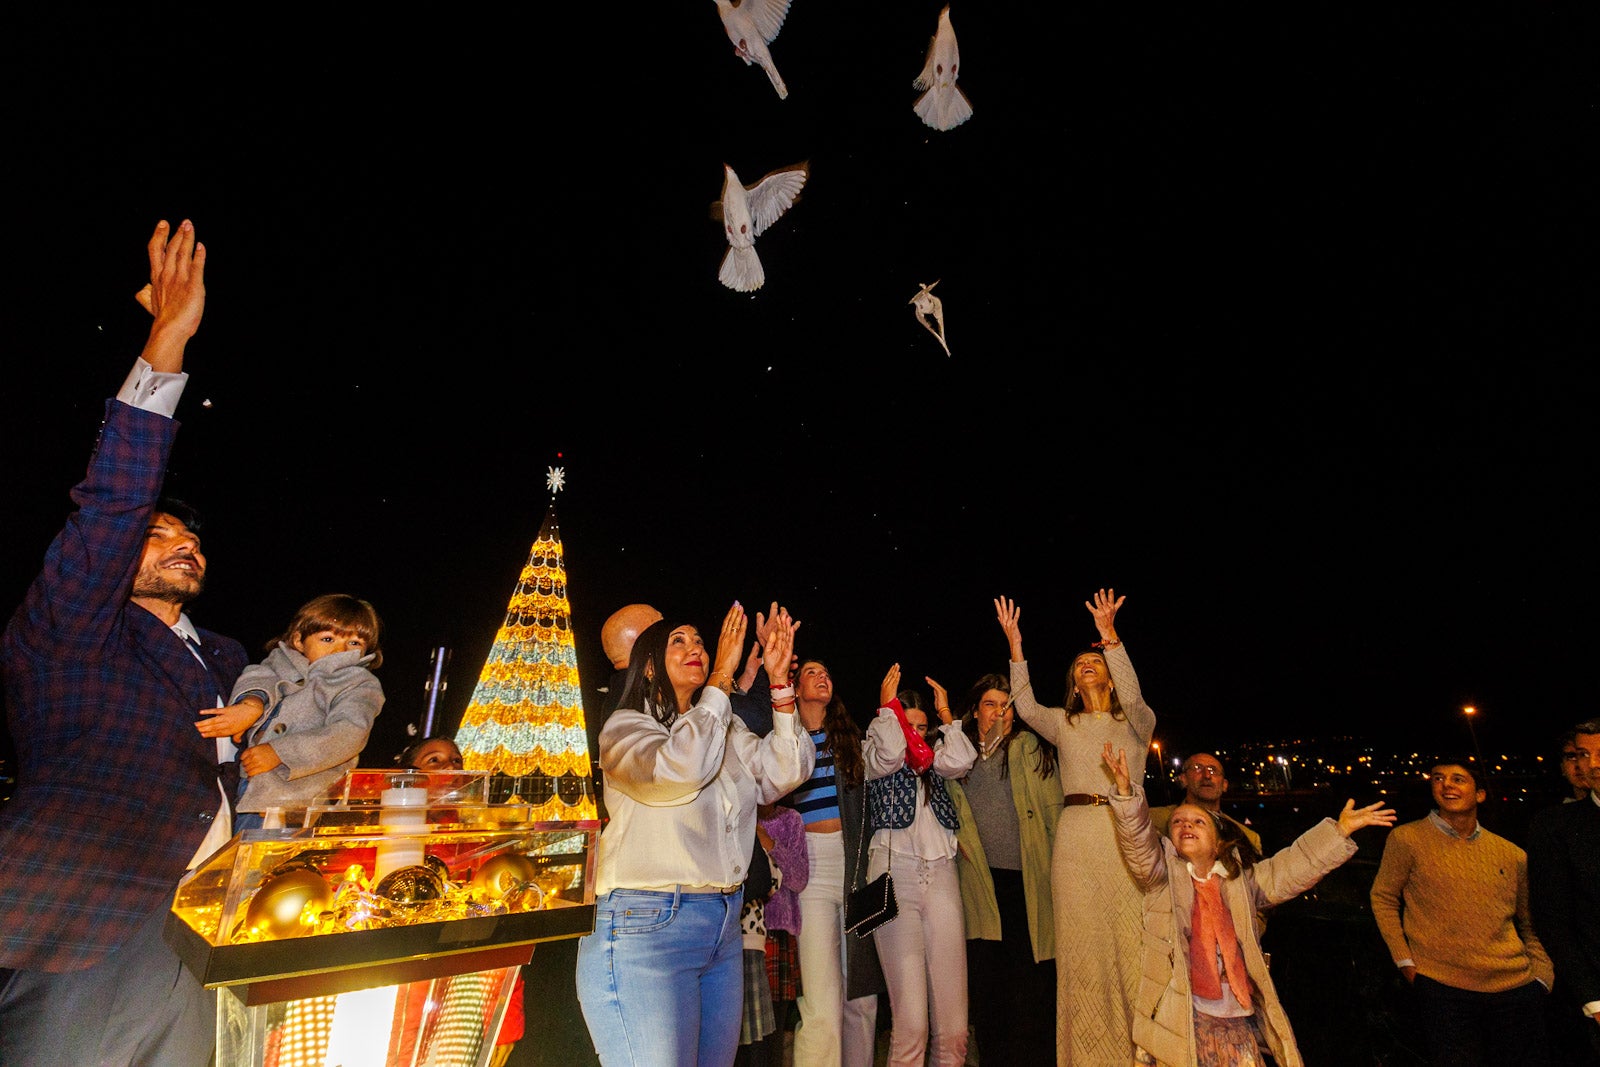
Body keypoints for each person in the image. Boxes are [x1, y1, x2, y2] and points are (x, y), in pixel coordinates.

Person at [0, 218, 250, 1067]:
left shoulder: (221, 659)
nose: (187, 544)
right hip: (88, 931)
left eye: (195, 539)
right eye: (160, 532)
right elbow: (108, 510)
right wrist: (166, 347)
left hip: (198, 941)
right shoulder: (67, 637)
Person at [575, 605, 814, 1066]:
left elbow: (785, 771)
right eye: (678, 641)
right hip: (646, 927)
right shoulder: (625, 729)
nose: (698, 649)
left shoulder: (725, 729)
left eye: (701, 641)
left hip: (722, 928)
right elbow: (680, 771)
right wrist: (723, 673)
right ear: (647, 665)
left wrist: (781, 684)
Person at [1102, 742, 1396, 1066]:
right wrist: (1127, 795)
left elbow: (1292, 867)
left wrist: (1339, 831)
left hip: (1236, 1016)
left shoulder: (1240, 881)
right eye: (1178, 822)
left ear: (1218, 841)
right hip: (1181, 1019)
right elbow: (1137, 842)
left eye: (1198, 822)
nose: (1186, 825)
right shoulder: (1162, 881)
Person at [995, 589, 1154, 1066]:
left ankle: (1141, 1051)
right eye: (1080, 662)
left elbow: (1135, 692)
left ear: (1108, 674)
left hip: (1127, 836)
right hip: (1076, 839)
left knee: (1132, 944)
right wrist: (1015, 645)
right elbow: (1023, 706)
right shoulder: (1063, 724)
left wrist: (1110, 639)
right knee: (1081, 951)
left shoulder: (1137, 725)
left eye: (1095, 661)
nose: (1087, 664)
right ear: (1072, 681)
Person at [1368, 757, 1553, 1064]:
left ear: (1479, 794)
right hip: (1444, 988)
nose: (1446, 785)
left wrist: (1542, 976)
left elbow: (1531, 920)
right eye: (1438, 778)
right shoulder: (1407, 839)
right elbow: (1383, 897)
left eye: (1458, 779)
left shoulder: (1511, 853)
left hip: (1515, 989)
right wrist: (1405, 962)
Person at [945, 671, 1061, 1065]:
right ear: (975, 711)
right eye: (991, 704)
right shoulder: (956, 755)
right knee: (989, 993)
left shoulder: (1030, 749)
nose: (1000, 713)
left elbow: (1054, 817)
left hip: (1028, 885)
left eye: (1007, 706)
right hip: (979, 886)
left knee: (1033, 991)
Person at [862, 669, 976, 1066]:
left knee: (956, 1030)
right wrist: (887, 709)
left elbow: (963, 758)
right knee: (911, 1025)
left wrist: (946, 714)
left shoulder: (936, 762)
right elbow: (893, 753)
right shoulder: (876, 751)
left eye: (922, 727)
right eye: (907, 724)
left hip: (941, 873)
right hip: (893, 874)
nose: (916, 733)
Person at [204, 593, 385, 831]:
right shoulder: (278, 662)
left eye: (354, 644)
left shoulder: (358, 682)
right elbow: (257, 677)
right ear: (299, 641)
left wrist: (280, 753)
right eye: (328, 639)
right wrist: (251, 703)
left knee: (270, 862)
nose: (340, 650)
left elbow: (350, 732)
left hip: (302, 800)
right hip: (246, 792)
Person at [788, 656, 886, 1067]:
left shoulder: (850, 740)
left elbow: (890, 756)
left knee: (862, 997)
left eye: (827, 672)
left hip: (857, 869)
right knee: (822, 1006)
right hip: (809, 871)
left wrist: (885, 707)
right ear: (793, 689)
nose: (822, 676)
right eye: (811, 672)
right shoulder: (784, 740)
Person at [1528, 719, 1600, 1059]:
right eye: (1584, 754)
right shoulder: (1556, 826)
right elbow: (1552, 919)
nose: (1592, 764)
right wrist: (1592, 998)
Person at [750, 800, 808, 1067]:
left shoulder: (790, 820)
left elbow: (798, 878)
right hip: (745, 935)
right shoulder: (738, 813)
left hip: (778, 936)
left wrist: (770, 844)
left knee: (773, 1032)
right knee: (744, 1034)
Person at [1150, 752, 1263, 855]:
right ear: (1183, 779)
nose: (1207, 776)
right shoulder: (1153, 820)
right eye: (1197, 768)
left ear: (1224, 785)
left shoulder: (1246, 838)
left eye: (1213, 770)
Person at [1558, 728, 1593, 802]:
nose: (1579, 765)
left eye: (1585, 755)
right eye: (1571, 757)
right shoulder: (1554, 812)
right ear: (1562, 768)